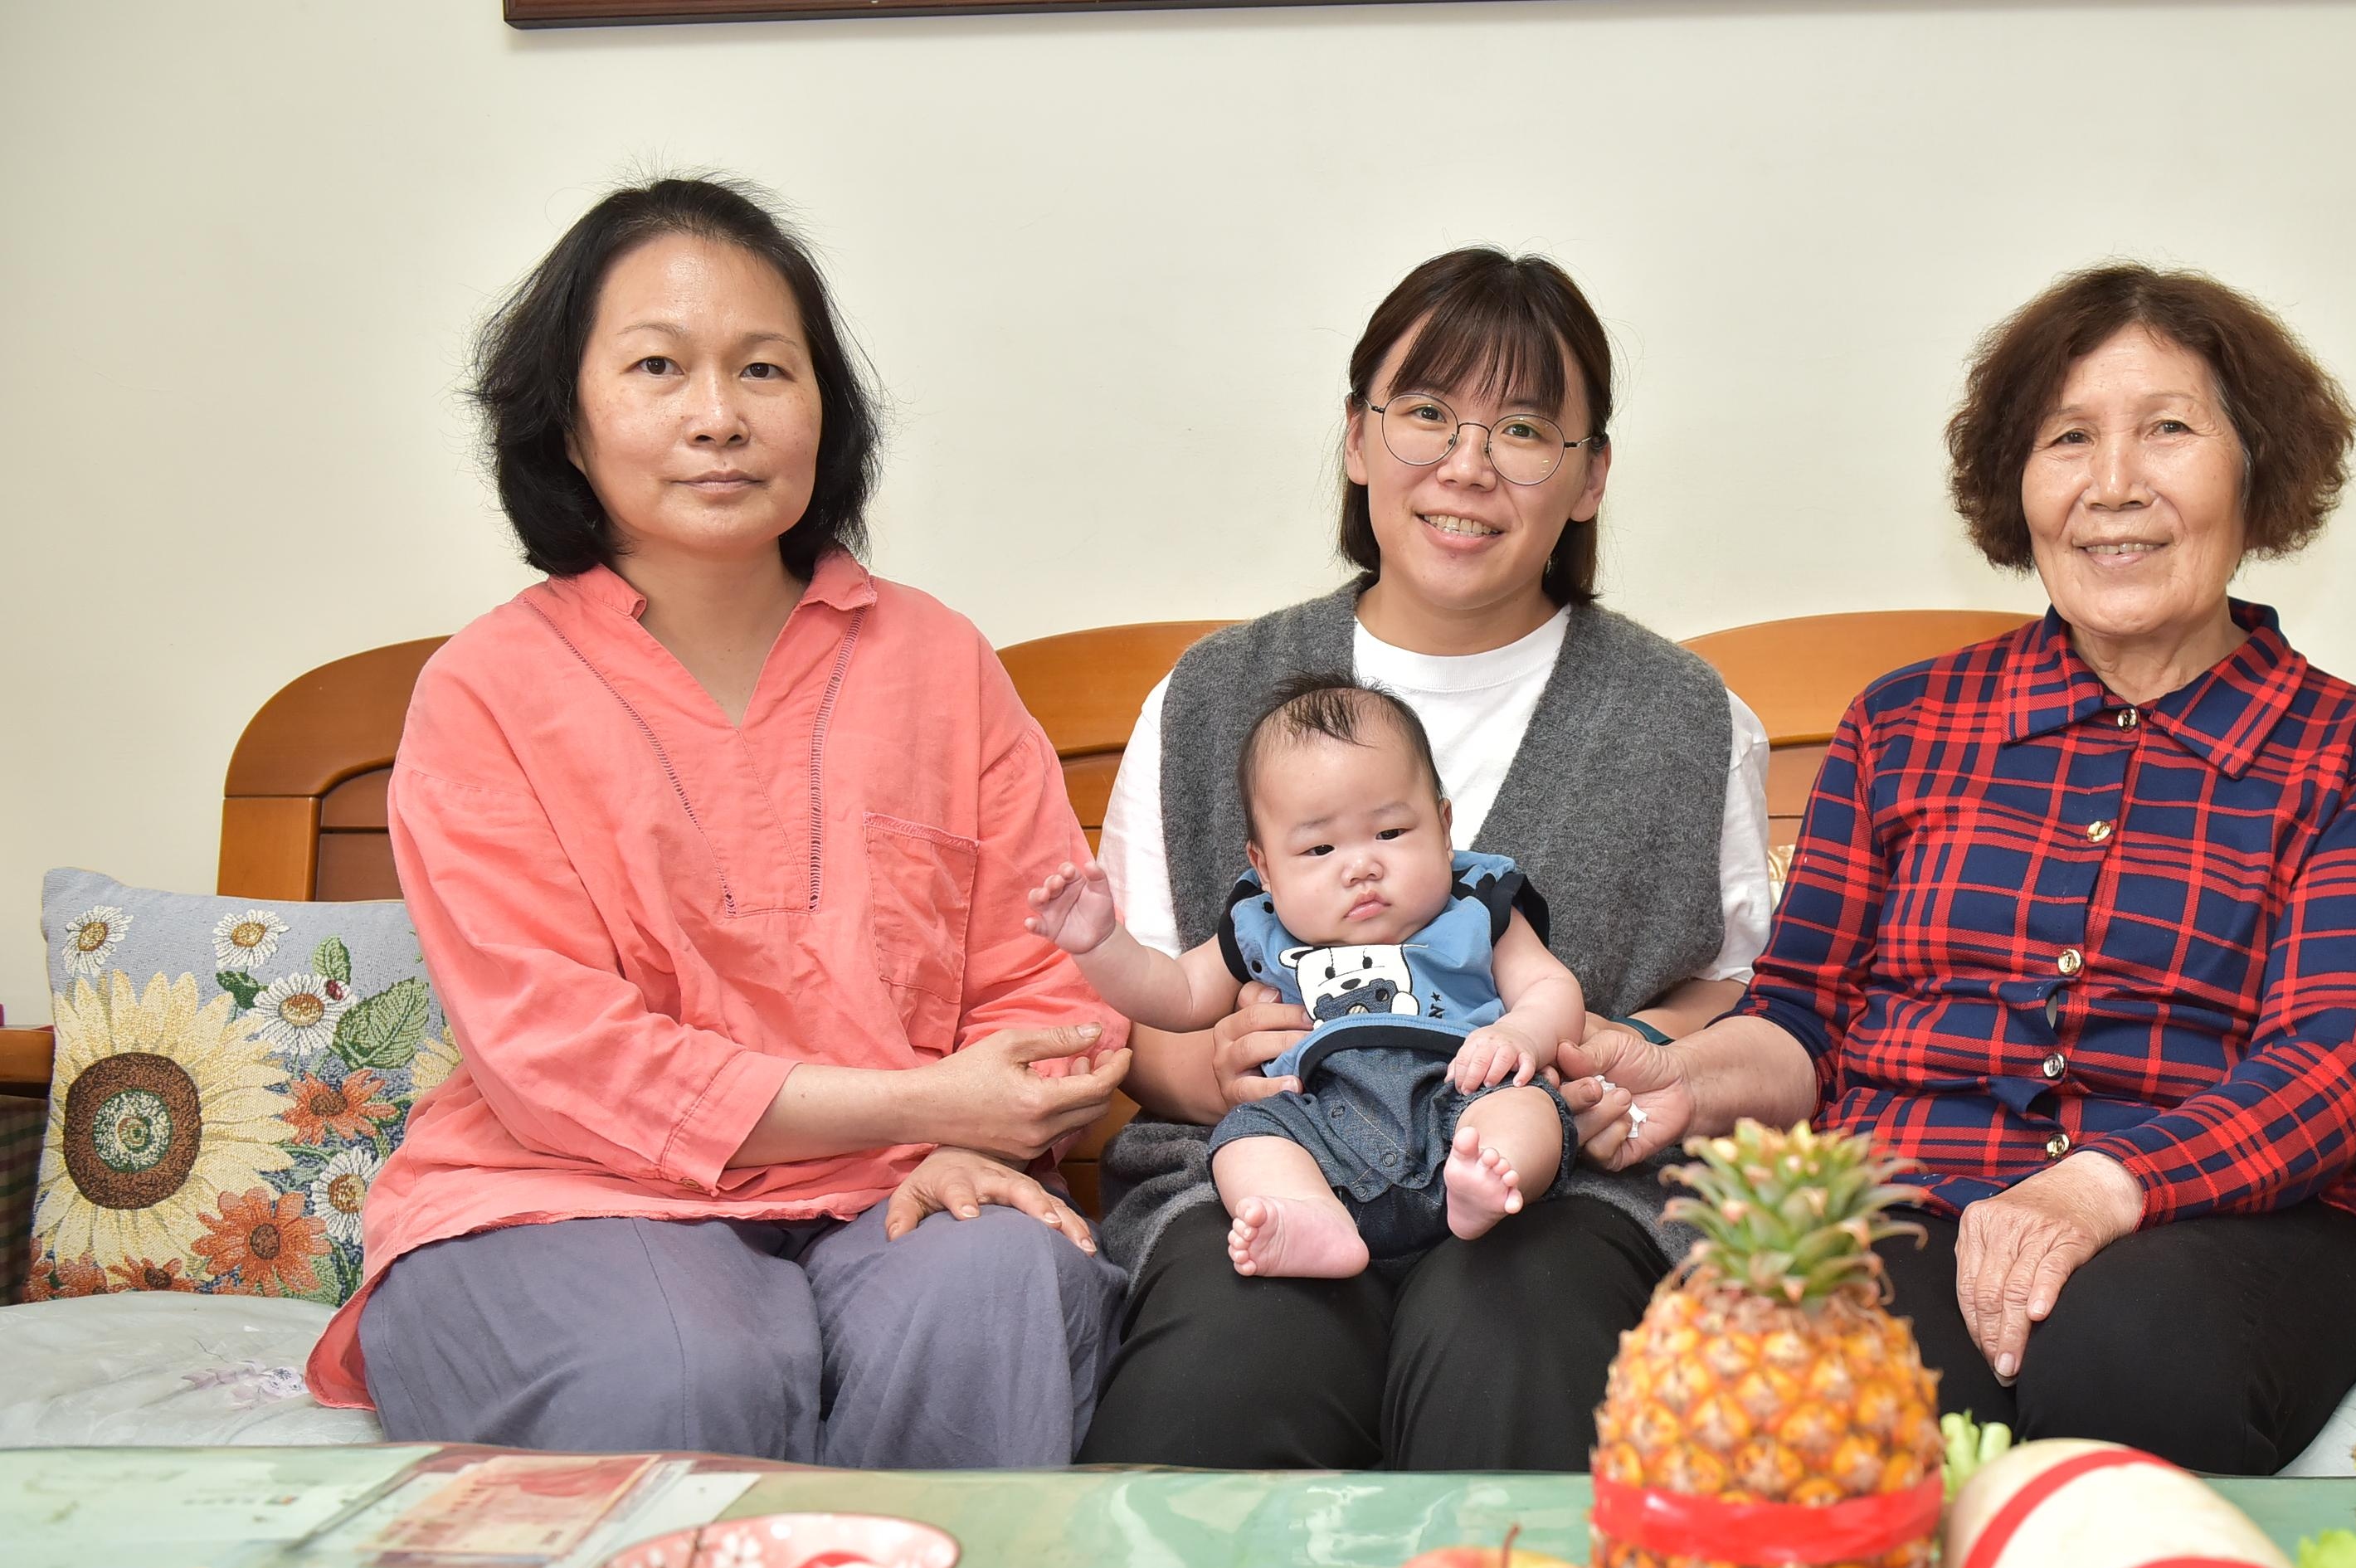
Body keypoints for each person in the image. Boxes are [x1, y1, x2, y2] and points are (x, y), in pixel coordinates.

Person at [303, 177, 1131, 1466]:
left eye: (763, 369)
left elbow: (1046, 979)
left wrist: (987, 1127)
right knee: (695, 1362)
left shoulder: (937, 660)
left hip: (909, 1186)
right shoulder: (486, 691)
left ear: (823, 412)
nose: (718, 417)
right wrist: (924, 1099)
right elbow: (557, 1056)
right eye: (656, 367)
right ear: (567, 426)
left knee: (997, 1292)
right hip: (565, 1203)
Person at [1567, 263, 2356, 1475]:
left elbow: (2334, 1060)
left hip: (2231, 1220)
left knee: (2135, 1350)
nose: (2114, 485)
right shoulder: (1905, 725)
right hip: (1911, 1199)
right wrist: (1677, 1074)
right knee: (1835, 1381)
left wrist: (2100, 1187)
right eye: (2068, 438)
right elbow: (1801, 1016)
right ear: (2017, 485)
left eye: (2169, 430)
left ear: (2258, 470)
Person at [1076, 248, 1774, 1473]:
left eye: (1523, 428)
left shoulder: (1682, 713)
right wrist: (1212, 1076)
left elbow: (1731, 983)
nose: (1468, 464)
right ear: (1356, 438)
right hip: (1273, 1171)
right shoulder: (1211, 697)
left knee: (1515, 1333)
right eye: (1427, 414)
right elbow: (1143, 1008)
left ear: (1591, 474)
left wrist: (1620, 1055)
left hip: (1549, 1187)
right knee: (1225, 1372)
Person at [1030, 679, 1583, 1275]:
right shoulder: (1261, 929)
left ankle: (1487, 1183)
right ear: (1264, 869)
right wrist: (1100, 943)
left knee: (1528, 1106)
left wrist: (1521, 1036)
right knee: (1246, 1137)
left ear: (1445, 829)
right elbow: (1174, 995)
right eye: (1319, 849)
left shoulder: (1478, 907)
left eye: (1391, 833)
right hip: (1314, 1114)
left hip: (1459, 1091)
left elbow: (1551, 988)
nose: (1361, 865)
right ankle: (1307, 1217)